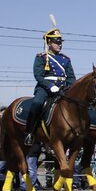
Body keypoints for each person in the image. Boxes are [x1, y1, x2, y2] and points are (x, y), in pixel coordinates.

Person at [25, 17, 76, 146]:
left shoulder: (66, 59)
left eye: (60, 42)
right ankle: (29, 133)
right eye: (56, 42)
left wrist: (70, 87)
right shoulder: (41, 57)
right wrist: (50, 86)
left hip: (63, 88)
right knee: (37, 103)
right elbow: (38, 75)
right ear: (49, 43)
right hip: (45, 88)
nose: (59, 44)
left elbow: (71, 77)